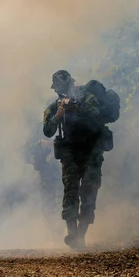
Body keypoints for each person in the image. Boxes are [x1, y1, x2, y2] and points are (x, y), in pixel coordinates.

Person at [43, 70, 107, 249]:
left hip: (91, 152)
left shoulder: (87, 98)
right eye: (56, 87)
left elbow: (97, 118)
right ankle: (72, 233)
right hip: (70, 153)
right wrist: (58, 115)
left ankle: (82, 233)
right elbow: (47, 131)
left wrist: (80, 110)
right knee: (70, 191)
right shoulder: (55, 106)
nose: (58, 90)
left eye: (60, 86)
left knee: (88, 193)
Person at [24, 126, 62, 216]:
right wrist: (40, 144)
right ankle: (51, 227)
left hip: (67, 174)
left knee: (65, 202)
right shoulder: (38, 129)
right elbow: (25, 152)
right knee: (48, 205)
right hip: (47, 176)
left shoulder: (68, 122)